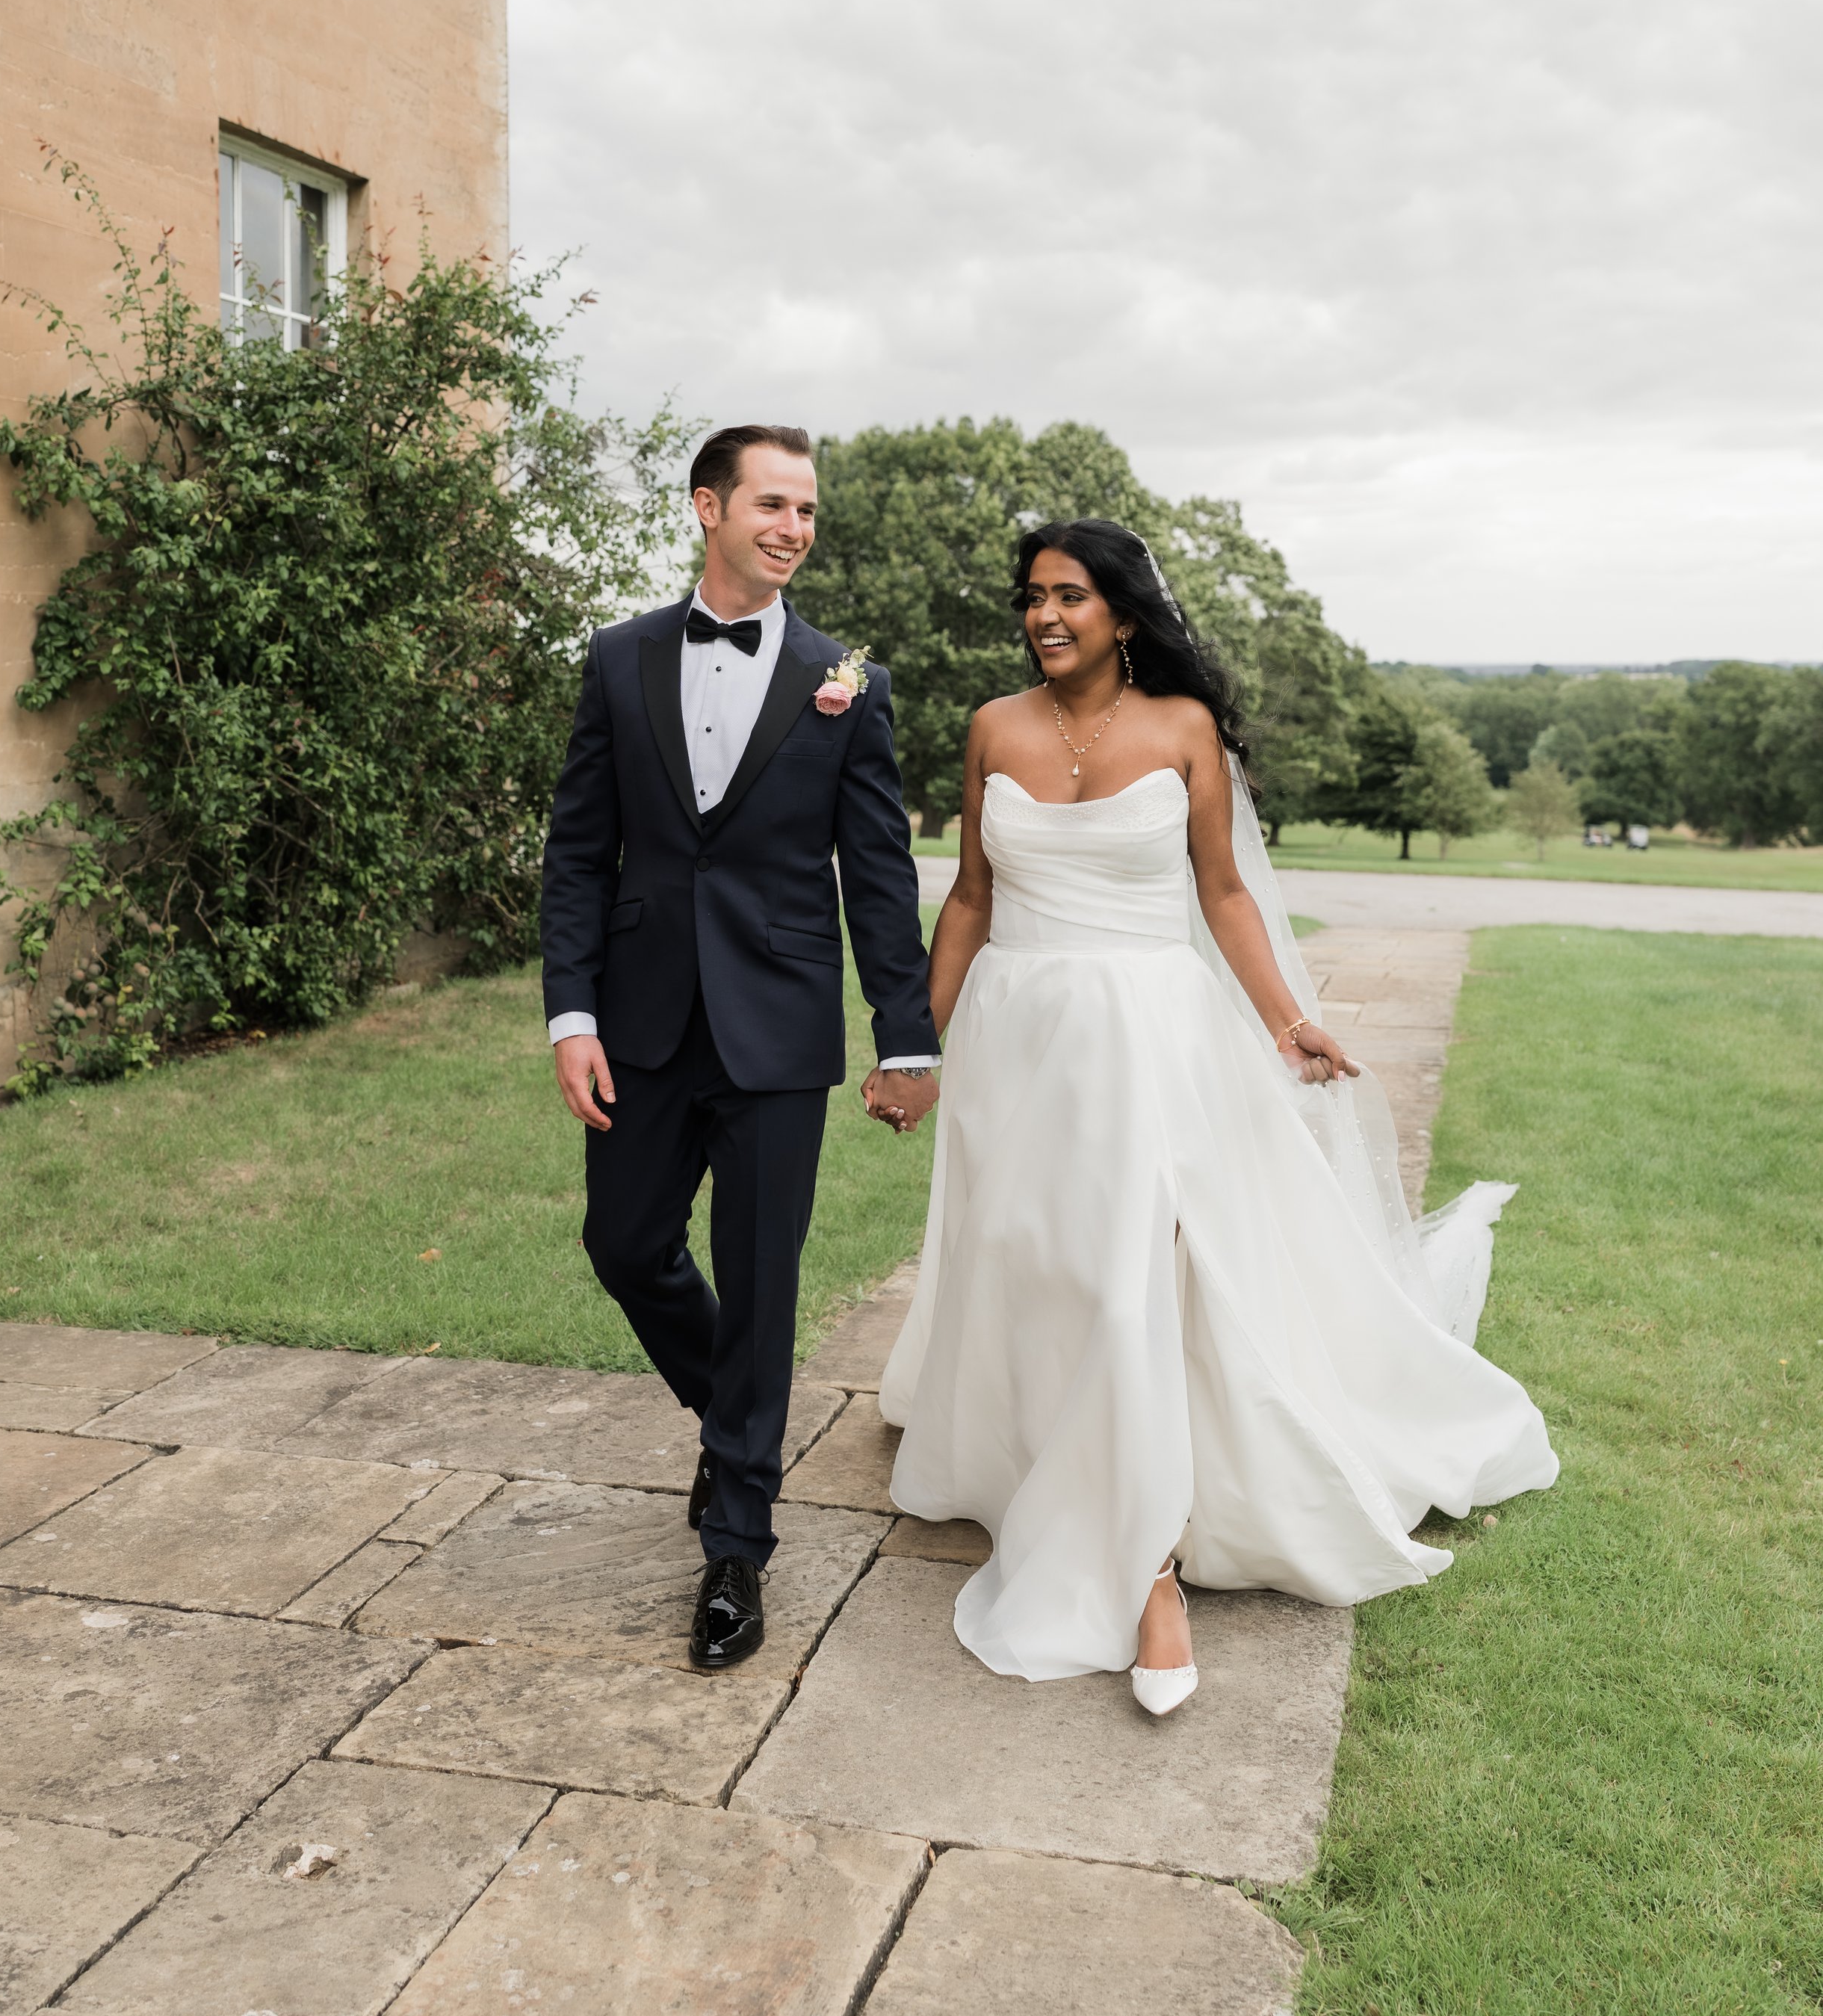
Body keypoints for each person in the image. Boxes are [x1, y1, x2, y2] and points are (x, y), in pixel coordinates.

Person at [880, 520, 1558, 1715]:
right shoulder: (992, 727)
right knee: (1035, 1264)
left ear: (1125, 615)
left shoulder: (1182, 731)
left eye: (1071, 596)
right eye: (1032, 596)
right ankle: (1043, 1464)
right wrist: (913, 1047)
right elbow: (973, 899)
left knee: (1127, 1277)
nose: (1044, 616)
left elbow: (1224, 892)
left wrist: (1287, 1018)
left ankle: (1148, 1563)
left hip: (1152, 1039)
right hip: (1020, 1042)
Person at [541, 425, 940, 1671]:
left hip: (778, 1027)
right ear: (709, 506)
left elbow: (876, 876)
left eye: (808, 509)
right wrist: (573, 1013)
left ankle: (736, 1546)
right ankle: (737, 1428)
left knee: (762, 1283)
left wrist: (907, 1037)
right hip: (644, 1023)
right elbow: (577, 853)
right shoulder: (619, 659)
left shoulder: (845, 682)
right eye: (773, 503)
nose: (795, 526)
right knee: (623, 1242)